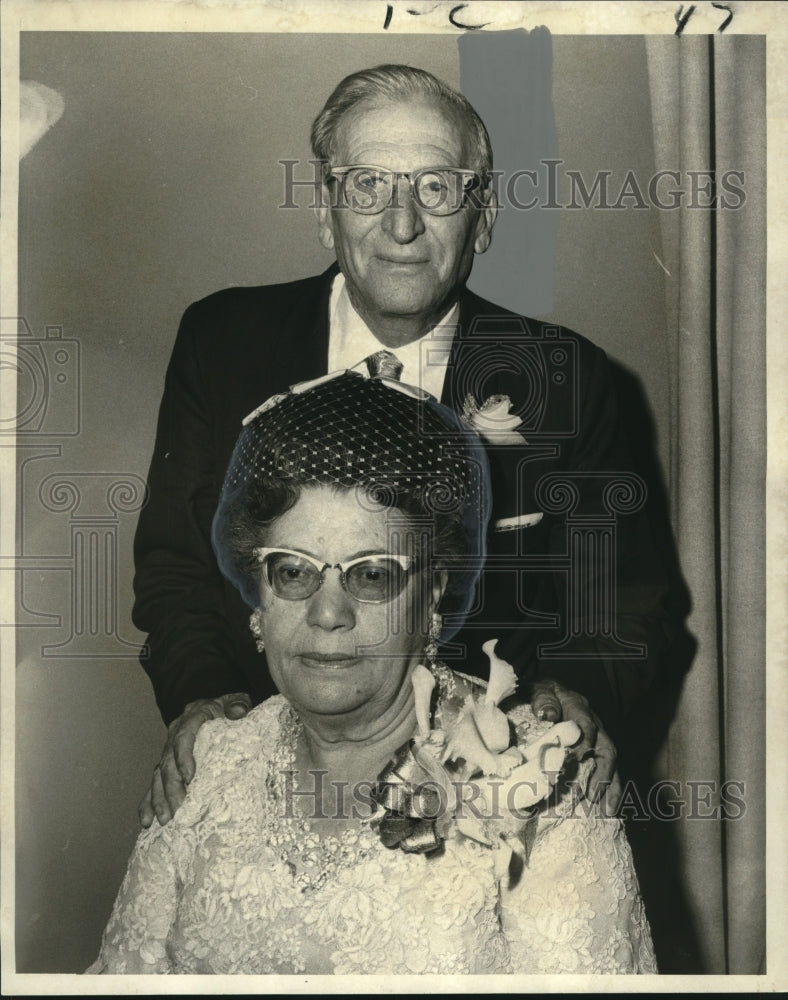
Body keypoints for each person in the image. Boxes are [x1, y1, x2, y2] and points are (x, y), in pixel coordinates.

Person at [133, 64, 671, 827]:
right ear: (326, 211)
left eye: (436, 188)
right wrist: (204, 703)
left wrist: (577, 690)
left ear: (481, 217)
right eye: (367, 187)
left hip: (481, 795)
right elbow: (175, 567)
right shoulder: (221, 343)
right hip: (266, 781)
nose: (402, 225)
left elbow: (624, 597)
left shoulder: (568, 377)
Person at [89, 365, 657, 974]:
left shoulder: (542, 783)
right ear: (258, 590)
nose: (327, 613)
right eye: (294, 570)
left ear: (433, 592)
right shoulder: (204, 769)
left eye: (372, 574)